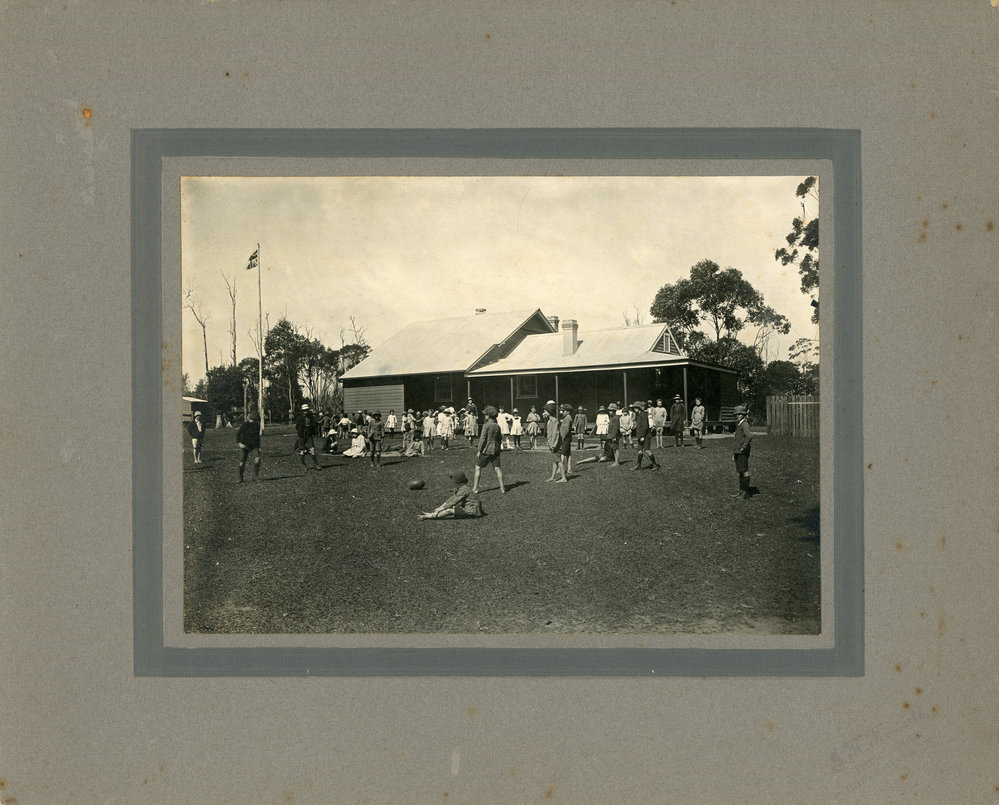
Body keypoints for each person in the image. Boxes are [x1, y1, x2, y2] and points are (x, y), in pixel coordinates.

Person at [418, 471, 484, 520]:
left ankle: (428, 516)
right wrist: (440, 508)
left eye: (452, 481)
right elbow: (451, 499)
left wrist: (439, 509)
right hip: (469, 508)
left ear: (457, 482)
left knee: (449, 510)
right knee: (451, 509)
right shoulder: (462, 488)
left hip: (472, 512)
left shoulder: (463, 490)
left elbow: (453, 502)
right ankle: (431, 514)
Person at [473, 405, 505, 493]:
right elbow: (499, 439)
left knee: (477, 467)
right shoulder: (497, 426)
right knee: (497, 468)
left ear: (489, 416)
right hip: (496, 449)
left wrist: (479, 450)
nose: (485, 416)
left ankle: (475, 488)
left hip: (486, 450)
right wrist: (498, 448)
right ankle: (502, 488)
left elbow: (482, 439)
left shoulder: (486, 425)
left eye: (486, 415)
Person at [731, 404, 754, 498]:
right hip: (738, 451)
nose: (737, 416)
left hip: (743, 452)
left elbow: (749, 436)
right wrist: (734, 453)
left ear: (743, 415)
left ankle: (745, 492)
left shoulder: (745, 424)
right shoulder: (739, 424)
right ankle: (741, 491)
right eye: (736, 414)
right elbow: (738, 439)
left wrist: (743, 447)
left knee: (744, 471)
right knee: (740, 471)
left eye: (739, 414)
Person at [630, 401, 660, 471]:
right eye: (634, 408)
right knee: (639, 450)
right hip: (640, 436)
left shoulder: (643, 415)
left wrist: (642, 436)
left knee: (647, 450)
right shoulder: (638, 415)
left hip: (645, 436)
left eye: (636, 407)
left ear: (639, 408)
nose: (635, 409)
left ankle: (655, 465)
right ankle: (638, 465)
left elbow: (645, 427)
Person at [544, 402, 569, 483]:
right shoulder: (550, 421)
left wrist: (553, 445)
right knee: (554, 460)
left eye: (545, 411)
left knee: (558, 461)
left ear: (549, 412)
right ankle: (553, 476)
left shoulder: (554, 421)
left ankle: (564, 477)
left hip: (555, 444)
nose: (544, 413)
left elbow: (555, 433)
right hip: (552, 444)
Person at [235, 410, 261, 483]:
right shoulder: (245, 425)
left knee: (257, 459)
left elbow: (257, 437)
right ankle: (240, 477)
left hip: (254, 446)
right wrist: (239, 443)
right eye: (253, 420)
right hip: (245, 445)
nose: (253, 421)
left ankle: (255, 477)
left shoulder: (257, 426)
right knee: (242, 462)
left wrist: (258, 446)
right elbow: (238, 434)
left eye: (255, 420)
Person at [294, 403, 321, 470]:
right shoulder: (299, 418)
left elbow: (313, 425)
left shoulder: (311, 417)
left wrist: (314, 432)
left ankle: (315, 464)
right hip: (302, 435)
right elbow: (297, 427)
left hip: (309, 435)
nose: (305, 412)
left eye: (306, 410)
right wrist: (300, 432)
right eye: (304, 410)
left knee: (312, 450)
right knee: (302, 451)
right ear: (302, 411)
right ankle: (303, 465)